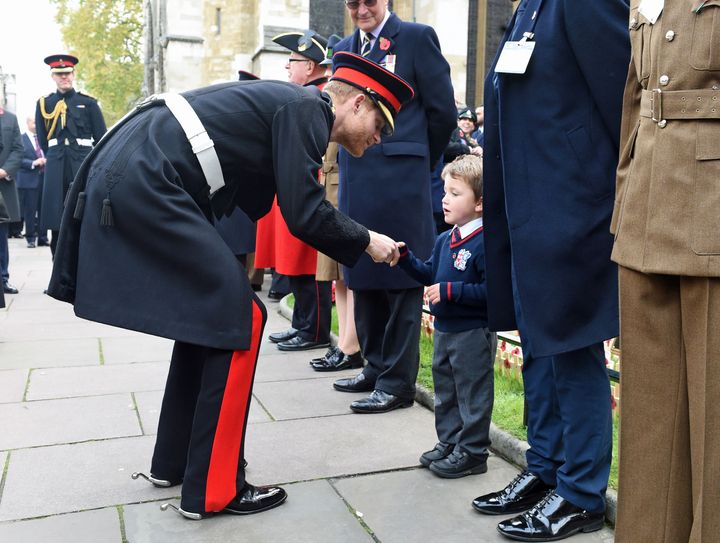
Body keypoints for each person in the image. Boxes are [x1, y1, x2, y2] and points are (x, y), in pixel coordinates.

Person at [47, 52, 413, 521]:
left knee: (210, 316)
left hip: (139, 167)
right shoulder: (307, 109)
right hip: (149, 175)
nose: (378, 139)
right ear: (358, 104)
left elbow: (269, 192)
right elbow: (304, 213)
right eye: (379, 126)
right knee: (242, 316)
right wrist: (368, 241)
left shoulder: (291, 105)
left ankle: (175, 462)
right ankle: (215, 489)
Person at [473, 0, 630, 541]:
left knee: (570, 344)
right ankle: (545, 469)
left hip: (573, 205)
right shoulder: (530, 8)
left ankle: (582, 491)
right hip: (527, 204)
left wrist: (606, 195)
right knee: (538, 341)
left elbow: (621, 102)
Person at [611, 4, 720, 542]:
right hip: (646, 213)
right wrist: (623, 207)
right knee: (650, 419)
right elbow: (636, 103)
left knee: (714, 420)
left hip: (712, 214)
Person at [333, 0, 457, 414]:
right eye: (353, 3)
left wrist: (419, 158)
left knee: (401, 276)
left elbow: (442, 112)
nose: (361, 9)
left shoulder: (417, 38)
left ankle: (398, 383)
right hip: (357, 173)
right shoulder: (345, 48)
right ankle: (375, 366)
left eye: (369, 1)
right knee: (362, 268)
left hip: (402, 179)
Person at [396, 155, 496, 478]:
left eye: (455, 193)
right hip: (445, 330)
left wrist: (452, 291)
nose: (445, 199)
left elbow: (490, 292)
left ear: (479, 203)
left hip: (471, 331)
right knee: (446, 389)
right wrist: (404, 259)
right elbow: (429, 273)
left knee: (472, 392)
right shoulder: (445, 240)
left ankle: (472, 451)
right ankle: (450, 441)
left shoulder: (485, 243)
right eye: (445, 192)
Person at [255, 30, 334, 353]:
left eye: (293, 61)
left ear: (312, 65)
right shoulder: (303, 94)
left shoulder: (320, 95)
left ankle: (314, 329)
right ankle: (301, 323)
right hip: (293, 182)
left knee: (308, 261)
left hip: (310, 182)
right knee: (293, 261)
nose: (287, 68)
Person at [310, 34, 364, 373]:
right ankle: (343, 339)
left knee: (347, 272)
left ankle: (351, 343)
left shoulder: (348, 105)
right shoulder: (329, 101)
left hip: (341, 184)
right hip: (328, 185)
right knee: (335, 276)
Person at [35, 54, 106, 256]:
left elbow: (101, 138)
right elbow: (43, 139)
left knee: (82, 217)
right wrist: (57, 156)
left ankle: (81, 277)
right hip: (56, 164)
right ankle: (58, 280)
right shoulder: (44, 104)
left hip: (81, 163)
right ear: (53, 76)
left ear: (74, 74)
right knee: (56, 223)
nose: (64, 77)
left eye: (67, 73)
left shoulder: (89, 103)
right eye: (59, 74)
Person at [0, 106, 24, 295]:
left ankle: (3, 279)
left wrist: (5, 170)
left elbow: (17, 149)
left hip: (3, 183)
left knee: (1, 236)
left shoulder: (10, 118)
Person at [17, 117, 47, 248]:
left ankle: (43, 237)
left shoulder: (43, 138)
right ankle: (30, 238)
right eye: (33, 122)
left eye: (37, 122)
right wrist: (33, 163)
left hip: (44, 178)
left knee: (44, 210)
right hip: (29, 180)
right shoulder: (21, 139)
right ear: (27, 123)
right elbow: (17, 159)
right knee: (30, 210)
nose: (36, 125)